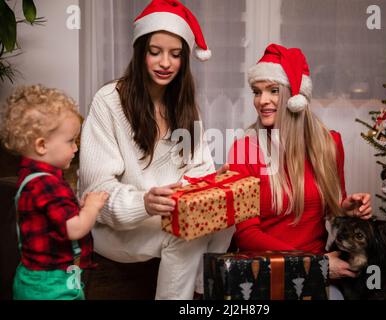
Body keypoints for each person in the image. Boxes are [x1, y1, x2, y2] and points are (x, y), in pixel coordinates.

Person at [79, 0, 233, 300]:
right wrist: (144, 203)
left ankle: (200, 294)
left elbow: (196, 174)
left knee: (226, 216)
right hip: (117, 228)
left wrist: (215, 183)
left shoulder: (186, 107)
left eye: (175, 55)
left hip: (168, 217)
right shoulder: (108, 101)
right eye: (155, 52)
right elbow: (95, 190)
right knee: (184, 234)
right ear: (140, 52)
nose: (166, 63)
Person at [228, 44, 372, 299]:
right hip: (263, 271)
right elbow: (247, 234)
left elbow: (328, 210)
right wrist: (315, 264)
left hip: (317, 268)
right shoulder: (244, 150)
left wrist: (344, 207)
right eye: (257, 92)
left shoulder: (330, 143)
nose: (262, 101)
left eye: (273, 91)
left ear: (295, 97)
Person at [0, 85, 109, 300]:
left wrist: (77, 206)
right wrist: (92, 207)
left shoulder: (29, 177)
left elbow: (52, 217)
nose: (75, 148)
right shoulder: (48, 185)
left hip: (29, 277)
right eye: (70, 141)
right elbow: (74, 229)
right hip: (52, 285)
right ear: (42, 145)